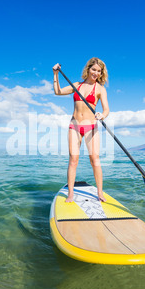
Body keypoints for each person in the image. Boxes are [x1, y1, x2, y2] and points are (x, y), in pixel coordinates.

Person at [52, 58, 110, 202]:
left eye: (99, 71)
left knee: (94, 159)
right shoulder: (77, 85)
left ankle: (100, 193)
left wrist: (102, 115)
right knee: (73, 159)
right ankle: (71, 193)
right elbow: (58, 92)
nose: (96, 73)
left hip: (91, 126)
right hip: (75, 126)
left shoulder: (100, 89)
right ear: (88, 69)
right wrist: (55, 74)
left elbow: (106, 109)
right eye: (94, 69)